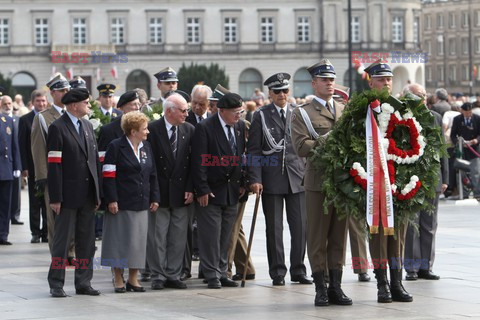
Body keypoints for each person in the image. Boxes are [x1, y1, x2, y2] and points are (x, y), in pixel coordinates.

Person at [290, 59, 352, 306]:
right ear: (314, 83)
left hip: (343, 182)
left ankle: (336, 286)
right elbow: (301, 147)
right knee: (317, 236)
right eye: (324, 80)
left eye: (331, 79)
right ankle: (320, 287)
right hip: (318, 182)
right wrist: (328, 141)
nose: (329, 83)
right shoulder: (302, 113)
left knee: (339, 236)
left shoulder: (343, 109)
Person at [248, 72, 311, 286]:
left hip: (297, 177)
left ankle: (299, 269)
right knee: (274, 229)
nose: (282, 95)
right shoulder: (261, 115)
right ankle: (277, 271)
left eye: (285, 91)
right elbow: (254, 150)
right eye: (277, 91)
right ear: (270, 94)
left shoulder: (298, 113)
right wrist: (255, 178)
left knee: (300, 227)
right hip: (271, 178)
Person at [363, 59, 412, 303]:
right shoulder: (363, 110)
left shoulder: (403, 108)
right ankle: (382, 284)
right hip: (373, 183)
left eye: (389, 79)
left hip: (398, 182)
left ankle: (397, 282)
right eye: (381, 79)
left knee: (397, 236)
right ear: (371, 81)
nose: (386, 83)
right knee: (378, 236)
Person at [46, 88, 102, 298]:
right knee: (62, 243)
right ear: (74, 105)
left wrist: (98, 193)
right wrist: (56, 197)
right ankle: (56, 283)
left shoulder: (87, 125)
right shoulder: (57, 127)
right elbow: (54, 164)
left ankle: (83, 282)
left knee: (86, 242)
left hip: (87, 195)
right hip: (67, 195)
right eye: (86, 102)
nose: (89, 105)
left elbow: (94, 161)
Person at [192, 92, 246, 289]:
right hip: (212, 191)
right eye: (235, 112)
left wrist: (242, 182)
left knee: (226, 235)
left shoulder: (239, 127)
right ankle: (212, 273)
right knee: (210, 236)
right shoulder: (205, 127)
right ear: (222, 111)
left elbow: (240, 156)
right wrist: (202, 189)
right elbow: (199, 161)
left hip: (232, 190)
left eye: (240, 111)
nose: (238, 116)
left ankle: (223, 271)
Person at [101, 111, 160, 293]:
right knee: (118, 241)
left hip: (141, 201)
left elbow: (152, 174)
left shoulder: (146, 147)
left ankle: (133, 278)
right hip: (120, 202)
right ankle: (118, 276)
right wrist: (111, 199)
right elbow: (108, 174)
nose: (147, 132)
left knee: (137, 241)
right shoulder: (116, 146)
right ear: (133, 131)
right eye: (144, 129)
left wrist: (155, 197)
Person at [146, 94, 195, 290]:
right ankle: (158, 274)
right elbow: (150, 165)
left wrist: (191, 188)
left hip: (182, 192)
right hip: (160, 193)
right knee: (157, 236)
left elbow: (194, 163)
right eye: (183, 111)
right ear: (169, 111)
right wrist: (153, 193)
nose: (186, 114)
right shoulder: (152, 129)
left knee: (178, 236)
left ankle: (174, 273)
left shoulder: (189, 130)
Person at [403, 83, 448, 281]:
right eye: (417, 95)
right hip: (410, 179)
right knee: (411, 224)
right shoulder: (401, 117)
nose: (422, 98)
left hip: (432, 177)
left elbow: (441, 149)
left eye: (423, 95)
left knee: (429, 224)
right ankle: (411, 268)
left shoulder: (435, 118)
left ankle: (426, 267)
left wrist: (445, 177)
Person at [31, 73, 71, 252]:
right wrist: (43, 178)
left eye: (67, 89)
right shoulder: (43, 117)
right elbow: (39, 148)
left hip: (74, 176)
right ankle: (58, 255)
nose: (66, 93)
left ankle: (71, 252)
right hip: (54, 175)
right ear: (53, 93)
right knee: (55, 218)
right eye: (62, 90)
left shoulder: (75, 113)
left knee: (73, 217)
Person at [96, 91, 142, 240]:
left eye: (138, 104)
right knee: (117, 237)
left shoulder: (145, 129)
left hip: (137, 191)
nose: (137, 107)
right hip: (118, 189)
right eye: (133, 104)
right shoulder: (108, 130)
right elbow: (103, 163)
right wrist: (108, 195)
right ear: (122, 108)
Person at [182, 84, 212, 280]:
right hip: (188, 183)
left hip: (209, 185)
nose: (197, 107)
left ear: (209, 104)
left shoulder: (213, 121)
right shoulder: (185, 120)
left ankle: (206, 268)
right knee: (186, 229)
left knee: (207, 229)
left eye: (201, 104)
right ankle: (184, 268)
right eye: (194, 103)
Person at [18, 90, 49, 243]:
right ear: (32, 103)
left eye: (43, 101)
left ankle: (46, 232)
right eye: (38, 101)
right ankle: (35, 232)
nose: (41, 104)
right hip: (32, 167)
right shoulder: (25, 120)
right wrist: (24, 166)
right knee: (35, 201)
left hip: (49, 167)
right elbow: (22, 146)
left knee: (47, 201)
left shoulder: (50, 118)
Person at [1, 95, 23, 226]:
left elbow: (17, 145)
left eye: (10, 104)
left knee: (11, 197)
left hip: (10, 163)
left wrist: (18, 166)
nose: (8, 106)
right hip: (3, 164)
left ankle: (13, 217)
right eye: (5, 104)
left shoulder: (16, 120)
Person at [0, 110, 21, 245]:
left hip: (6, 168)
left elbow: (14, 145)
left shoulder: (7, 120)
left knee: (5, 205)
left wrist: (17, 166)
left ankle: (3, 234)